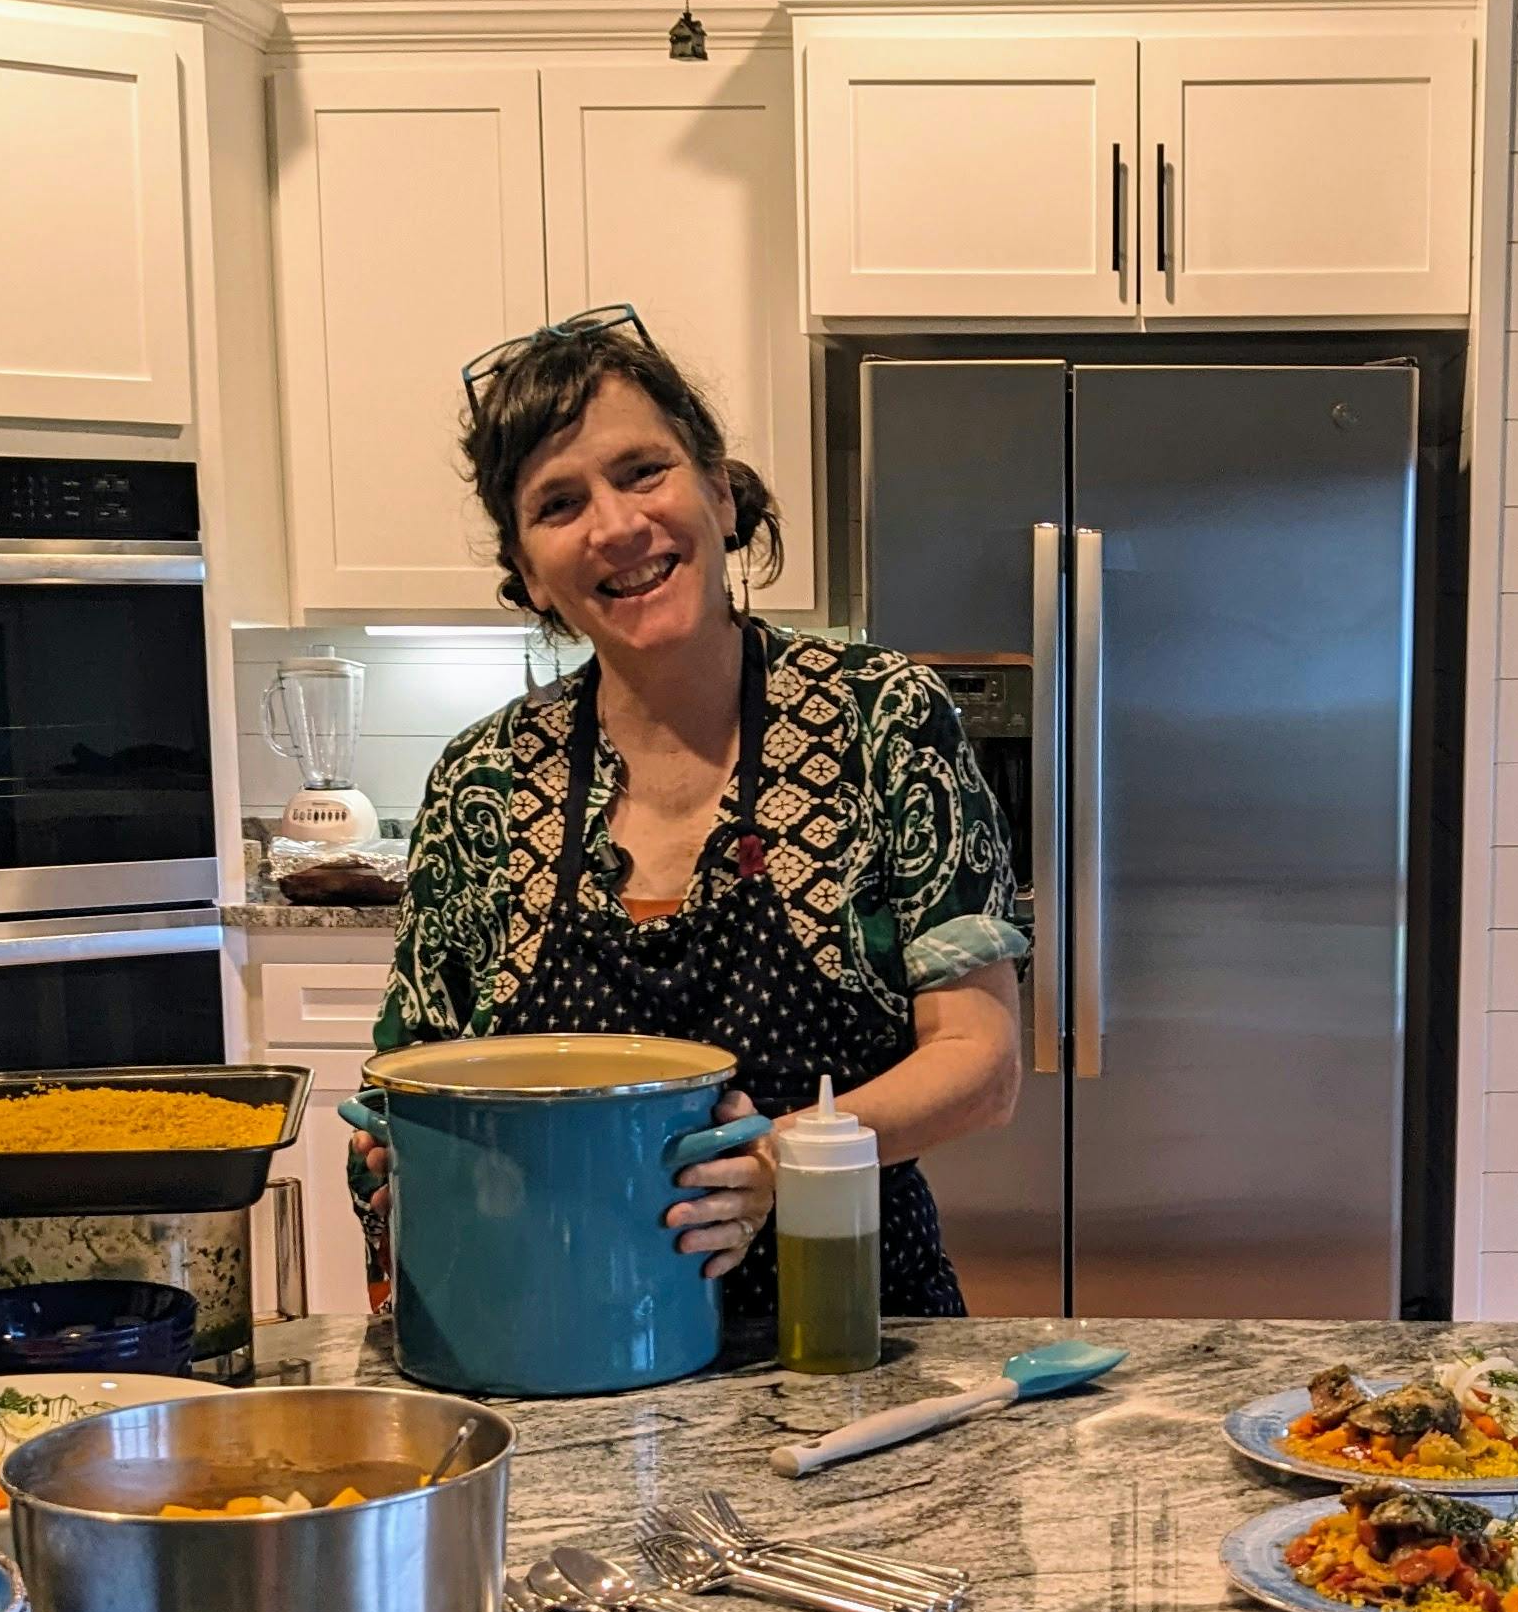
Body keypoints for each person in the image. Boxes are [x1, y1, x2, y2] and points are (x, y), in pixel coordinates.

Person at [362, 308, 1026, 1317]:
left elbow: (981, 1064)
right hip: (561, 1341)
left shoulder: (879, 717)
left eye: (643, 471)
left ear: (718, 490)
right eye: (558, 503)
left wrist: (783, 1160)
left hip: (851, 1333)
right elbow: (413, 1084)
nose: (618, 526)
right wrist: (394, 1151)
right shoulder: (483, 780)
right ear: (529, 571)